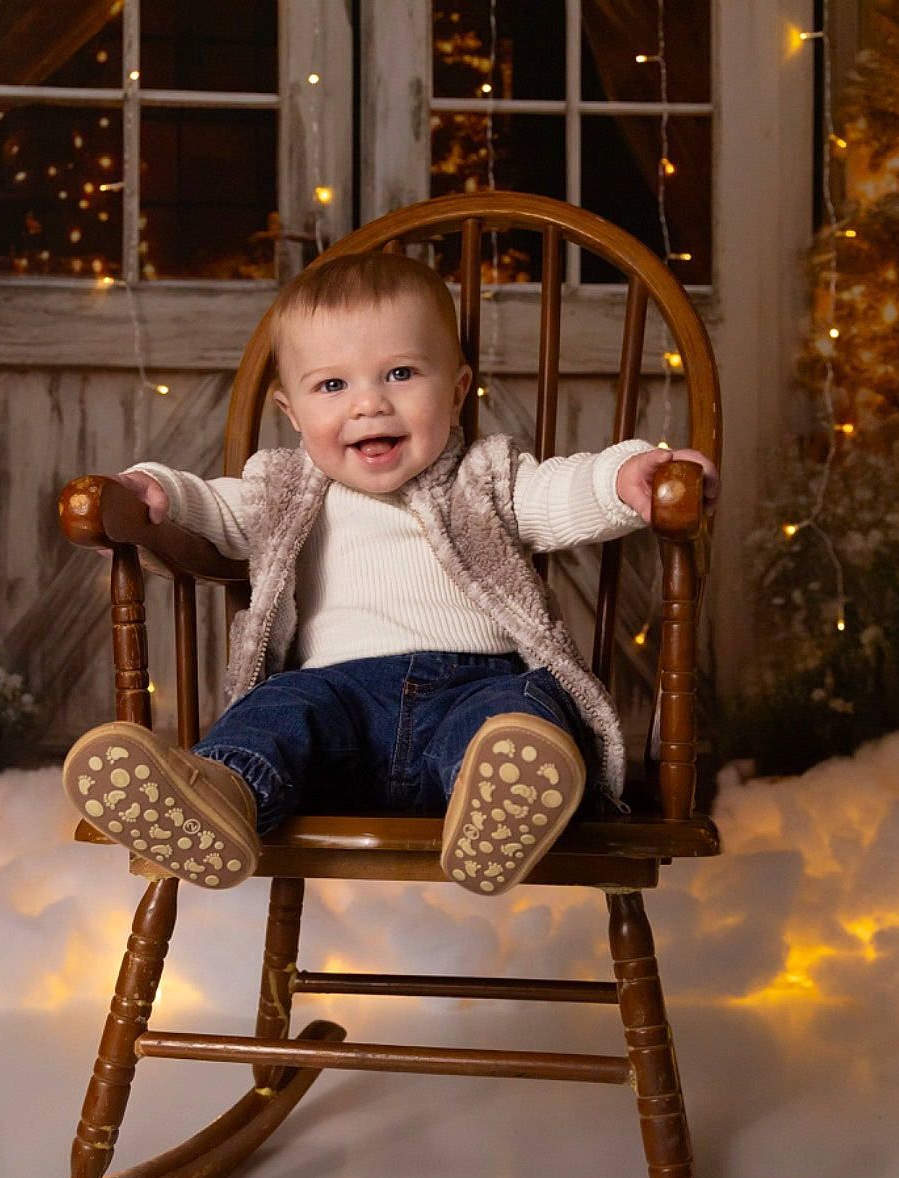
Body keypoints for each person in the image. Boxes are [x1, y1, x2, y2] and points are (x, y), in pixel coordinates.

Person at [63, 250, 714, 896]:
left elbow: (562, 490)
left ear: (456, 390)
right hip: (337, 708)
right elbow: (212, 507)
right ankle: (220, 797)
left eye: (400, 373)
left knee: (520, 712)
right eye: (332, 385)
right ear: (292, 414)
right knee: (277, 711)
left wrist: (626, 476)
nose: (369, 404)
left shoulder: (484, 477)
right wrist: (153, 491)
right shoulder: (285, 488)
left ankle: (503, 802)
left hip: (473, 692)